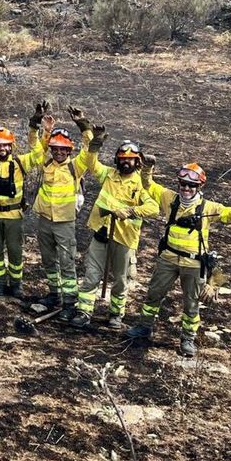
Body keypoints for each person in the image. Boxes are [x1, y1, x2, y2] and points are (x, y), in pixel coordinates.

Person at [127, 161, 231, 356]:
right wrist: (147, 168)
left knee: (192, 302)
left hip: (194, 263)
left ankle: (188, 338)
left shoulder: (208, 207)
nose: (186, 188)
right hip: (168, 258)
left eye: (192, 185)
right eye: (183, 184)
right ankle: (144, 327)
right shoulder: (169, 198)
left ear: (199, 187)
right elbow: (147, 184)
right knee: (154, 293)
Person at [63, 117, 160, 329]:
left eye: (131, 159)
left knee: (121, 281)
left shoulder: (141, 184)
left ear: (137, 162)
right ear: (117, 160)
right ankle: (84, 311)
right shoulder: (108, 174)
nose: (126, 162)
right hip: (101, 234)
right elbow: (90, 163)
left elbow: (154, 208)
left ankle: (116, 315)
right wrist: (96, 142)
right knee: (91, 276)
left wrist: (131, 211)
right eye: (123, 158)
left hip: (124, 239)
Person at [0, 112, 52, 298]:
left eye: (5, 145)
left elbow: (38, 154)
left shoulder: (21, 162)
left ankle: (16, 285)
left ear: (11, 145)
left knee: (15, 252)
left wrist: (35, 128)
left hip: (13, 217)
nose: (2, 148)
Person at [33, 117, 90, 311]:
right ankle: (54, 293)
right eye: (55, 148)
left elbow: (90, 150)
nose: (58, 152)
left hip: (64, 223)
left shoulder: (76, 166)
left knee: (66, 263)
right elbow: (36, 148)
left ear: (69, 150)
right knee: (49, 260)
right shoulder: (46, 163)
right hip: (45, 221)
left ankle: (69, 300)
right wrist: (46, 131)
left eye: (62, 149)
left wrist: (84, 126)